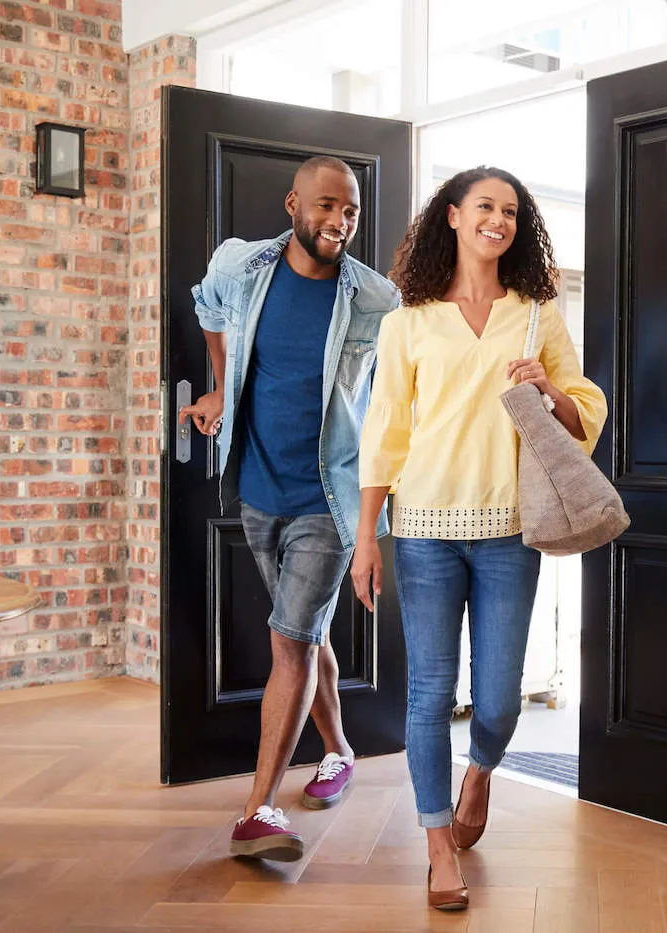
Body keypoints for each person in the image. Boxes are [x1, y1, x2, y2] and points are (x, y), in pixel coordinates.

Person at [353, 167, 607, 910]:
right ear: (455, 217)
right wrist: (368, 536)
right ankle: (438, 843)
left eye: (511, 210)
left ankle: (481, 770)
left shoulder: (535, 316)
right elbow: (385, 431)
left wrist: (550, 387)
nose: (498, 218)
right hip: (424, 531)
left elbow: (584, 406)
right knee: (429, 693)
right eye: (485, 206)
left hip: (507, 532)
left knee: (497, 699)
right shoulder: (407, 322)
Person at [180, 156, 400, 862]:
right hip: (257, 486)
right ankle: (338, 750)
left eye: (352, 212)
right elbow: (207, 307)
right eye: (327, 206)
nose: (340, 222)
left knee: (292, 641)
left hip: (328, 497)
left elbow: (397, 403)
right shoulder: (243, 268)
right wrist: (219, 387)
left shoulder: (376, 300)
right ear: (293, 204)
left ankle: (258, 810)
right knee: (300, 636)